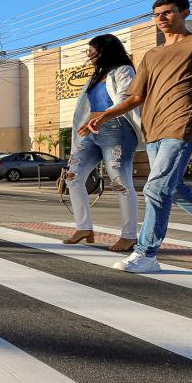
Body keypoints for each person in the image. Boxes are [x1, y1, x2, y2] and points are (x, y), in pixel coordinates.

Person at [88, 0, 192, 274]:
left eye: (167, 13)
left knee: (156, 187)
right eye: (156, 15)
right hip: (153, 128)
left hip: (183, 124)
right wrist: (106, 114)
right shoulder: (152, 55)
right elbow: (136, 96)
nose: (161, 19)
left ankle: (146, 253)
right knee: (172, 187)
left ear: (185, 13)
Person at [64, 34, 141, 252]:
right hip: (90, 130)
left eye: (92, 51)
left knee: (119, 181)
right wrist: (86, 126)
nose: (89, 55)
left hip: (116, 128)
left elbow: (125, 99)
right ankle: (84, 227)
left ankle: (129, 235)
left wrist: (103, 118)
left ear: (105, 50)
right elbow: (84, 109)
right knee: (73, 177)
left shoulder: (124, 69)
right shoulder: (94, 77)